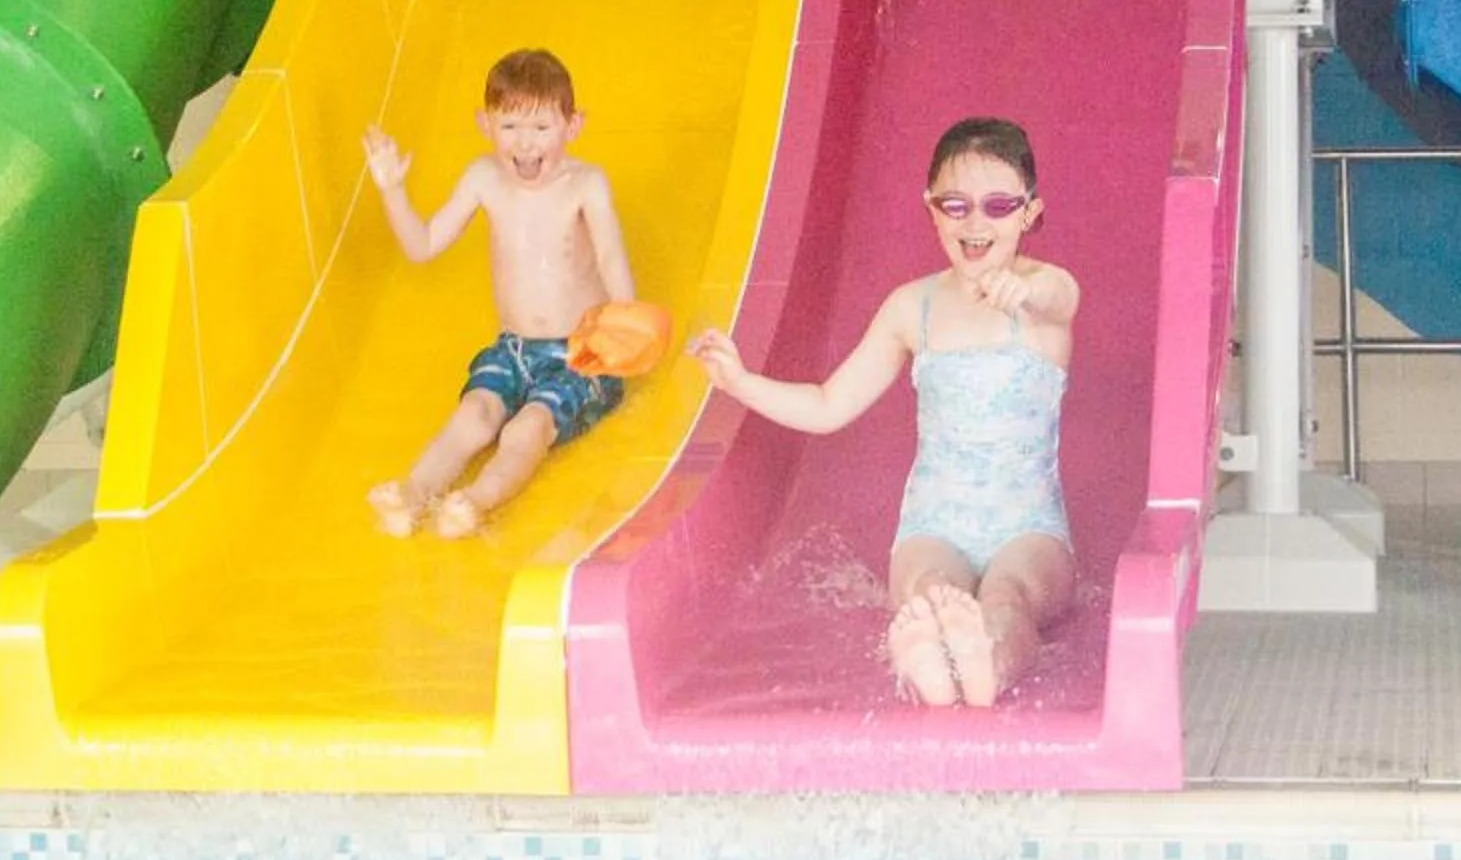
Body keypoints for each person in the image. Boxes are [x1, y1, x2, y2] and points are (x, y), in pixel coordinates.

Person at [688, 116, 1077, 706]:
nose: (975, 223)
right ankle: (933, 663)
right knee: (928, 591)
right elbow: (827, 405)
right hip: (934, 523)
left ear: (1028, 212)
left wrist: (1026, 291)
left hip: (1029, 526)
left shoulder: (1046, 294)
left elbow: (1060, 297)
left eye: (999, 206)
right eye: (955, 205)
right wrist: (741, 383)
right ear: (931, 208)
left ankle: (986, 662)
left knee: (1008, 597)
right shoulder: (911, 307)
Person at [364, 48, 638, 538]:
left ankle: (475, 502)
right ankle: (413, 493)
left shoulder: (586, 185)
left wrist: (628, 328)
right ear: (484, 124)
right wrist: (392, 190)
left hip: (583, 352)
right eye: (509, 126)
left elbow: (611, 257)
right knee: (474, 414)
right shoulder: (483, 178)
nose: (525, 143)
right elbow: (422, 246)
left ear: (572, 126)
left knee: (527, 427)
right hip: (513, 349)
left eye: (541, 127)